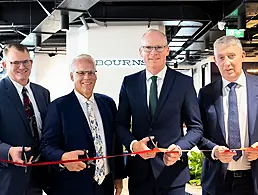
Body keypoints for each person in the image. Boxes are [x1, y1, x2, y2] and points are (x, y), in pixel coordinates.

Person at [115, 29, 203, 195]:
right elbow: (120, 124)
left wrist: (179, 147)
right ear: (141, 52)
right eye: (148, 48)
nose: (153, 52)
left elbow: (196, 127)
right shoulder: (129, 83)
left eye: (159, 47)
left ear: (167, 50)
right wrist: (134, 145)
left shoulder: (183, 83)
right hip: (139, 173)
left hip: (172, 173)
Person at [40, 54, 125, 195]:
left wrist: (119, 176)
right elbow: (46, 145)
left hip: (104, 186)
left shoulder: (108, 103)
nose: (87, 77)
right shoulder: (58, 107)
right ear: (72, 76)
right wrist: (63, 158)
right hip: (71, 186)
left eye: (91, 72)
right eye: (81, 73)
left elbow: (115, 143)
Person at [198, 35, 258, 195]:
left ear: (243, 56)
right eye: (221, 58)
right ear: (215, 60)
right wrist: (214, 150)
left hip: (253, 181)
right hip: (217, 181)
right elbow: (198, 133)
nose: (227, 63)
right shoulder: (206, 94)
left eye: (231, 56)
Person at [0, 43, 50, 195]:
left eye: (25, 62)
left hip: (39, 176)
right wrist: (8, 151)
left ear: (31, 63)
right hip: (8, 178)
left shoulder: (43, 93)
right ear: (4, 64)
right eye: (15, 62)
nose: (22, 67)